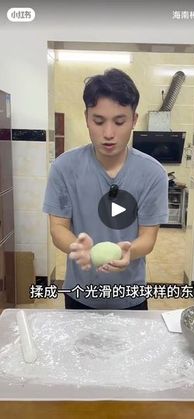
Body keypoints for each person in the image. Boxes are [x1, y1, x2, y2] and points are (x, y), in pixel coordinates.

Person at [43, 68, 168, 310]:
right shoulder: (64, 167)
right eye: (98, 121)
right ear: (87, 118)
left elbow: (148, 238)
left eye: (119, 121)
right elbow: (58, 228)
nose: (108, 134)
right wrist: (78, 247)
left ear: (134, 120)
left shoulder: (153, 173)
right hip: (81, 292)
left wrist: (129, 252)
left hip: (130, 295)